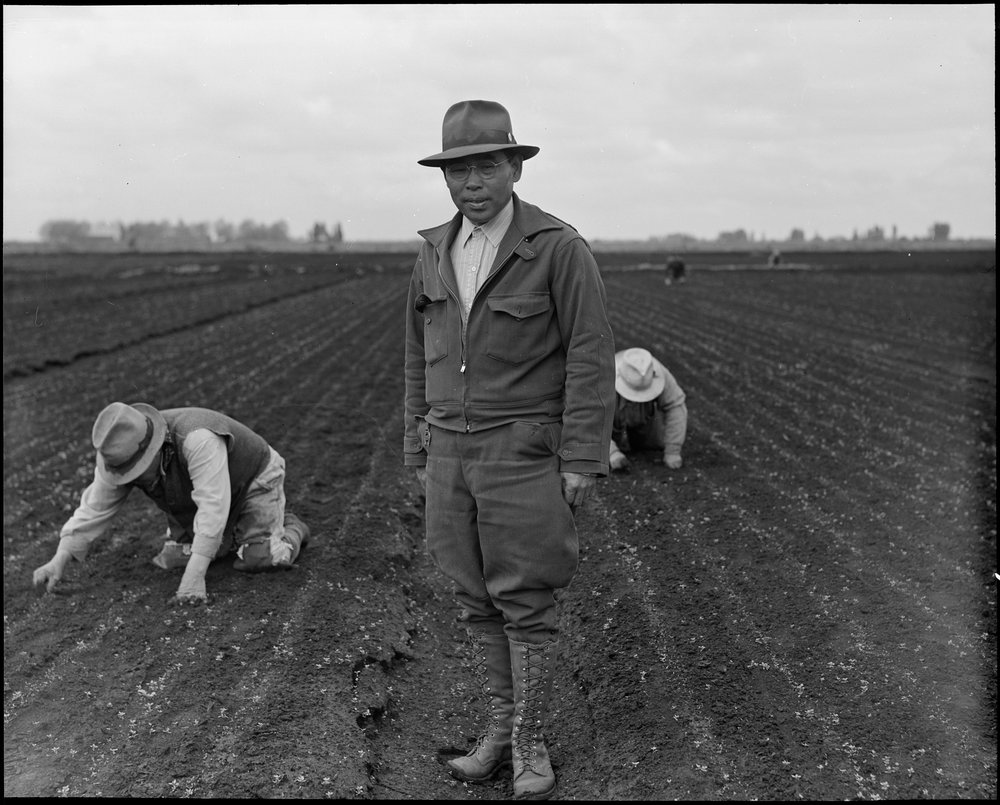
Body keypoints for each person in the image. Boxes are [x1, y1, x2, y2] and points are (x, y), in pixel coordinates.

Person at [404, 99, 615, 800]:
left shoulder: (558, 248)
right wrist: (418, 445)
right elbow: (417, 356)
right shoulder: (434, 251)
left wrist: (582, 457)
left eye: (486, 166)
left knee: (525, 601)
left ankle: (528, 743)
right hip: (449, 456)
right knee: (473, 598)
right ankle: (500, 731)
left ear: (514, 167)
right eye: (457, 169)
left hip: (523, 453)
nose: (471, 183)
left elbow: (590, 355)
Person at [32, 402, 310, 605]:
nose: (133, 478)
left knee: (260, 558)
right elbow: (95, 507)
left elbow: (213, 504)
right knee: (177, 558)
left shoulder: (197, 439)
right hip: (192, 495)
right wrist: (59, 559)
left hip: (252, 479)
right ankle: (239, 533)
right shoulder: (116, 451)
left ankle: (290, 526)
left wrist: (194, 579)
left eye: (137, 470)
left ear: (154, 448)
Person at [609, 347, 688, 471]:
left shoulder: (660, 373)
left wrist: (673, 451)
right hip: (610, 417)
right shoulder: (602, 378)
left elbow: (675, 406)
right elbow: (590, 421)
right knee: (600, 456)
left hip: (644, 415)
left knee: (651, 446)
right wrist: (612, 453)